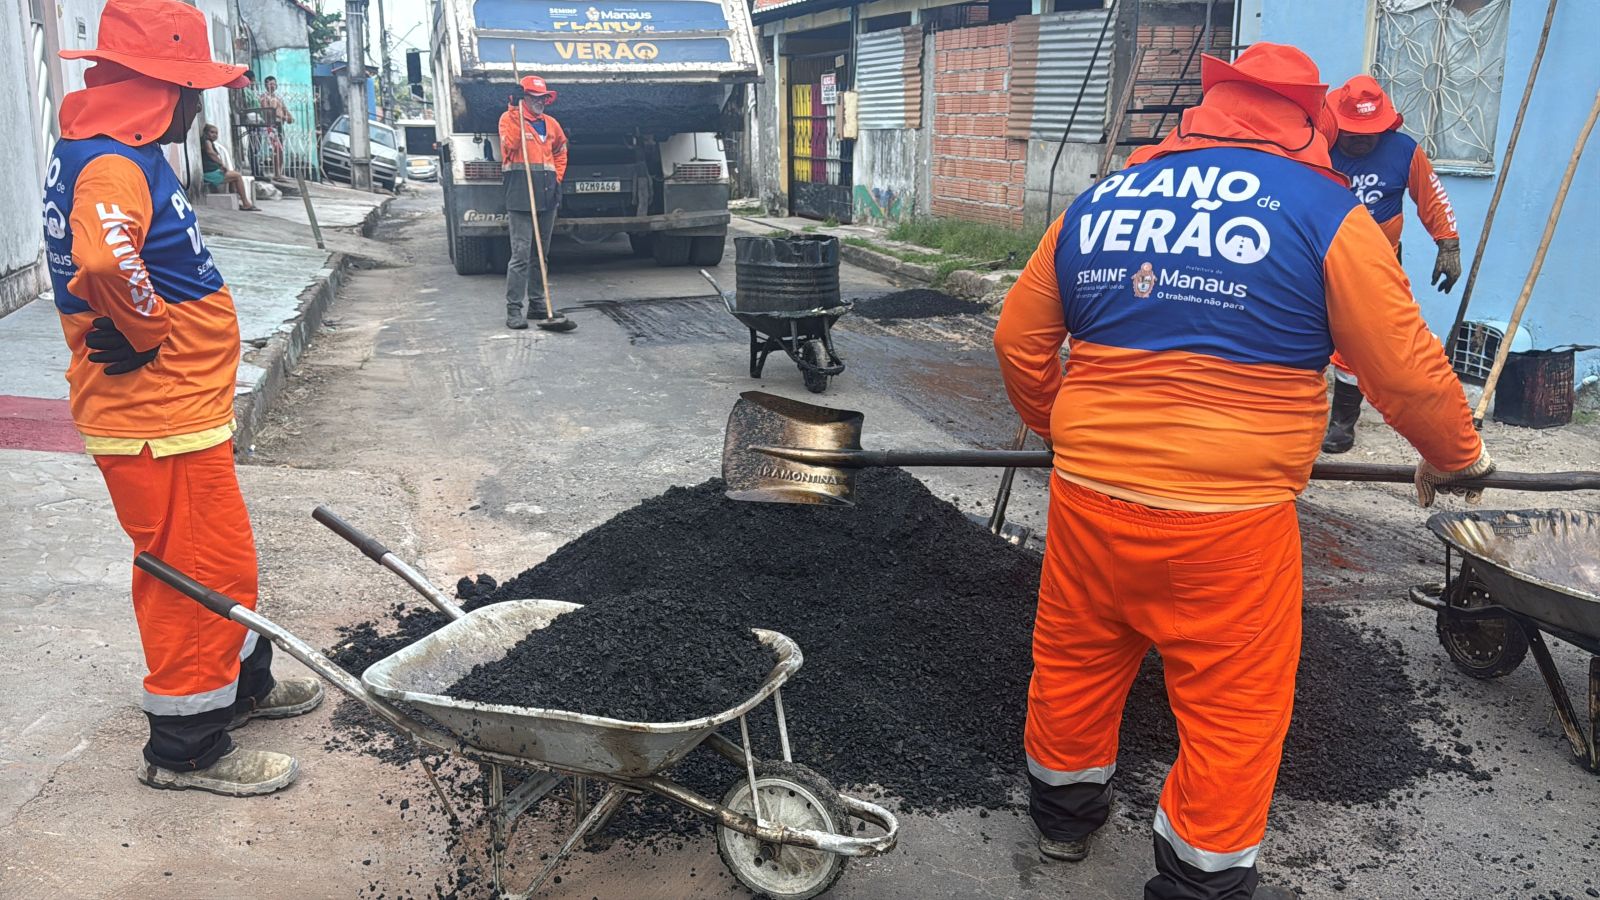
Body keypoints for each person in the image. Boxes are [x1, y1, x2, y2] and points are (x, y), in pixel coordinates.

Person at [993, 43, 1492, 900]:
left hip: (1088, 504)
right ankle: (1198, 882)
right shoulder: (1326, 212)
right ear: (1307, 120)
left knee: (1075, 661)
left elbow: (1017, 341)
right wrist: (1459, 459)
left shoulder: (1103, 200)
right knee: (1233, 708)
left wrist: (1062, 433)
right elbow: (1405, 371)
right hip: (1228, 525)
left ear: (1210, 107)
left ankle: (1063, 825)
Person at [43, 0, 323, 797]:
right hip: (155, 417)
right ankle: (187, 746)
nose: (201, 106)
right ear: (155, 88)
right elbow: (106, 260)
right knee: (191, 574)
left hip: (174, 413)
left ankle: (243, 686)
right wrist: (145, 327)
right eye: (192, 90)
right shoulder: (112, 164)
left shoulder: (110, 149)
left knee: (222, 557)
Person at [1321, 74, 1462, 453]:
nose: (1361, 139)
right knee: (1304, 332)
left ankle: (1342, 424)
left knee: (1361, 340)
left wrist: (1448, 244)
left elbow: (1432, 196)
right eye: (1353, 131)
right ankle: (1297, 410)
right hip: (1318, 258)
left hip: (1377, 264)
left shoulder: (1404, 151)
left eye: (1370, 131)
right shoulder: (1317, 147)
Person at [499, 75, 568, 329]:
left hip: (547, 195)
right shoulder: (508, 119)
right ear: (523, 98)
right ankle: (513, 310)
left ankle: (538, 305)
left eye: (543, 98)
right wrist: (514, 110)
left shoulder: (551, 124)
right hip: (520, 194)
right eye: (534, 97)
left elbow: (561, 151)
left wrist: (557, 178)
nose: (540, 102)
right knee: (520, 255)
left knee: (541, 254)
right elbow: (512, 144)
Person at [202, 123, 260, 210]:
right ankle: (246, 203)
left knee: (233, 175)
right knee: (237, 176)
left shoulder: (209, 142)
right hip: (209, 174)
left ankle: (237, 201)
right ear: (206, 133)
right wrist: (221, 164)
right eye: (212, 132)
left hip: (213, 171)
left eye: (216, 133)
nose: (214, 135)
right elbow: (210, 153)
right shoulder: (207, 141)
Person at [259, 75, 292, 177]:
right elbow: (268, 112)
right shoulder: (264, 98)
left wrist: (288, 116)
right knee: (276, 149)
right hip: (271, 125)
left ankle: (280, 173)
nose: (273, 86)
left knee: (280, 150)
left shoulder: (278, 98)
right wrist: (283, 117)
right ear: (266, 85)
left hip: (280, 125)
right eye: (271, 84)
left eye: (274, 84)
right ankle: (277, 174)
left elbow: (285, 110)